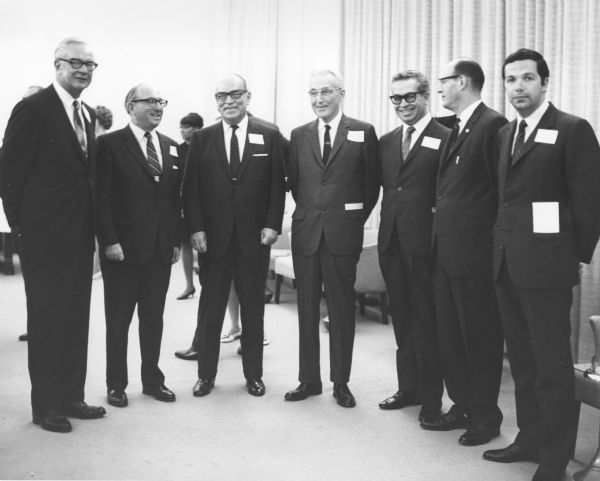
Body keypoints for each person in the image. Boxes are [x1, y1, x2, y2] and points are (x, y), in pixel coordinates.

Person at [482, 48, 600, 481]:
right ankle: (528, 438)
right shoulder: (504, 134)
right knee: (523, 364)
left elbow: (589, 204)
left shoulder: (572, 129)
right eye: (511, 79)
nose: (518, 87)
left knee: (551, 367)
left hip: (547, 269)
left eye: (527, 79)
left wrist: (572, 258)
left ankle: (554, 458)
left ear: (545, 83)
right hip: (507, 265)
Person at [0, 38, 105, 433]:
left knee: (76, 317)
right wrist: (22, 227)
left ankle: (71, 397)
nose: (84, 70)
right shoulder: (33, 108)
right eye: (76, 62)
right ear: (57, 65)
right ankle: (45, 406)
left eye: (91, 65)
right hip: (43, 236)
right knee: (46, 319)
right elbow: (8, 172)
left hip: (80, 234)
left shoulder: (88, 113)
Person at [421, 59, 507, 446]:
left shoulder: (492, 125)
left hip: (473, 256)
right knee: (451, 337)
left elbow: (499, 192)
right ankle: (462, 405)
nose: (439, 90)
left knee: (479, 338)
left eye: (443, 82)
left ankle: (486, 416)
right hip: (445, 252)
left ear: (462, 81)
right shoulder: (455, 126)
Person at [183, 74, 285, 397]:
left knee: (254, 309)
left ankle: (253, 375)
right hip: (212, 240)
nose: (228, 100)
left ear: (247, 96)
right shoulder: (202, 139)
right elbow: (191, 190)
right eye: (221, 95)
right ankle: (206, 376)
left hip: (255, 239)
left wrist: (273, 223)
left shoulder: (269, 135)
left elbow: (276, 187)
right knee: (211, 309)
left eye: (235, 94)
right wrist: (196, 228)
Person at [285, 70, 379, 408]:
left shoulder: (363, 132)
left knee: (341, 310)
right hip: (307, 233)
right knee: (306, 310)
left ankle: (341, 382)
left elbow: (371, 187)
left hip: (343, 234)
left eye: (325, 92)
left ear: (341, 93)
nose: (318, 99)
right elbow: (296, 184)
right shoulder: (298, 135)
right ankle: (308, 379)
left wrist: (349, 219)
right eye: (312, 93)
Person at [96, 84, 181, 407]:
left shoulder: (171, 146)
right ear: (131, 106)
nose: (158, 106)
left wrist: (174, 240)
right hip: (123, 251)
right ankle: (116, 383)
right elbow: (101, 198)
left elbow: (174, 200)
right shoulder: (108, 144)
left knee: (153, 318)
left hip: (160, 251)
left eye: (162, 101)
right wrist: (110, 240)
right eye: (151, 101)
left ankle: (152, 380)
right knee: (118, 320)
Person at [376, 70, 449, 424]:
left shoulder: (446, 138)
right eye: (396, 98)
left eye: (409, 97)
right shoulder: (387, 141)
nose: (402, 105)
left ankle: (432, 399)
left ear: (425, 97)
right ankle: (409, 388)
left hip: (426, 246)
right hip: (391, 243)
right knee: (401, 320)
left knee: (427, 323)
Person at [11, 85, 43, 343]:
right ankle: (36, 325)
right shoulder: (19, 137)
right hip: (29, 220)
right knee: (33, 280)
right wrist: (16, 220)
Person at [176, 112, 204, 300]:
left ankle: (206, 284)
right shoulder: (177, 150)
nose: (183, 131)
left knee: (204, 245)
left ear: (197, 129)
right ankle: (189, 285)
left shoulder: (206, 146)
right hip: (184, 204)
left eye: (187, 127)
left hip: (204, 204)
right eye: (182, 127)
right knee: (186, 245)